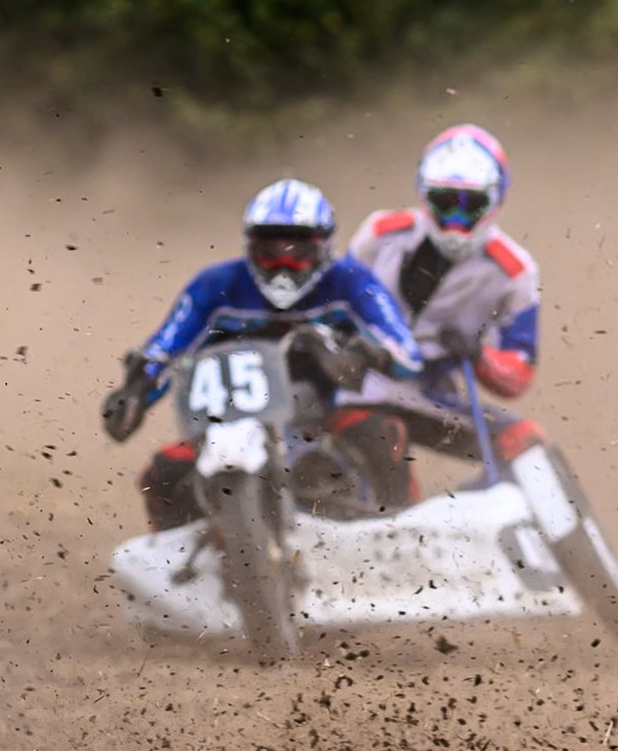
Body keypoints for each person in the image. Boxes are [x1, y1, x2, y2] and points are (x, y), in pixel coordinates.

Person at [100, 179, 423, 528]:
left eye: (297, 253)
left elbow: (406, 351)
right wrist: (135, 390)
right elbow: (165, 347)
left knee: (383, 435)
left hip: (320, 418)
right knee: (161, 473)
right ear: (249, 247)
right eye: (270, 252)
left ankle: (409, 537)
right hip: (224, 420)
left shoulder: (350, 282)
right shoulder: (215, 285)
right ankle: (173, 560)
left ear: (324, 248)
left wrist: (369, 353)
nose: (283, 265)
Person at [335, 124, 543, 507]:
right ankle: (400, 536)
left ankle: (552, 544)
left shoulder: (514, 271)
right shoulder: (380, 234)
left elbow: (520, 371)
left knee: (527, 445)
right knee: (385, 435)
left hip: (428, 394)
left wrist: (481, 357)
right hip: (361, 385)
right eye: (445, 202)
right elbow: (334, 307)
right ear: (423, 195)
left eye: (471, 206)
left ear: (496, 201)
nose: (456, 220)